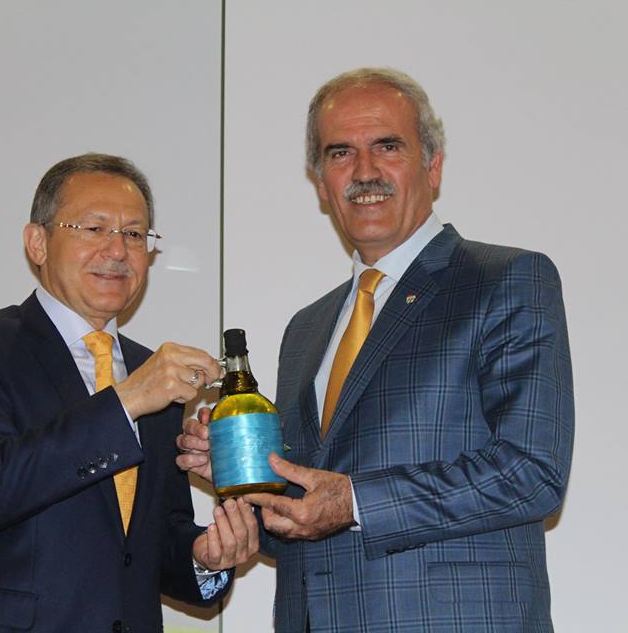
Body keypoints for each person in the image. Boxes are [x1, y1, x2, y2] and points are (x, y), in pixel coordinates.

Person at [178, 68, 574, 632]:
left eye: (387, 146)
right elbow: (306, 516)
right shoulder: (306, 329)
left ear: (433, 166)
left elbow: (532, 472)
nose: (364, 171)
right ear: (321, 183)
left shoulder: (505, 279)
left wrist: (355, 502)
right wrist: (242, 474)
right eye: (340, 153)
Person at [0, 153, 258, 633]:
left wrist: (203, 556)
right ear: (38, 243)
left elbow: (144, 544)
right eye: (94, 228)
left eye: (134, 234)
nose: (117, 250)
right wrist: (127, 401)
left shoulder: (150, 371)